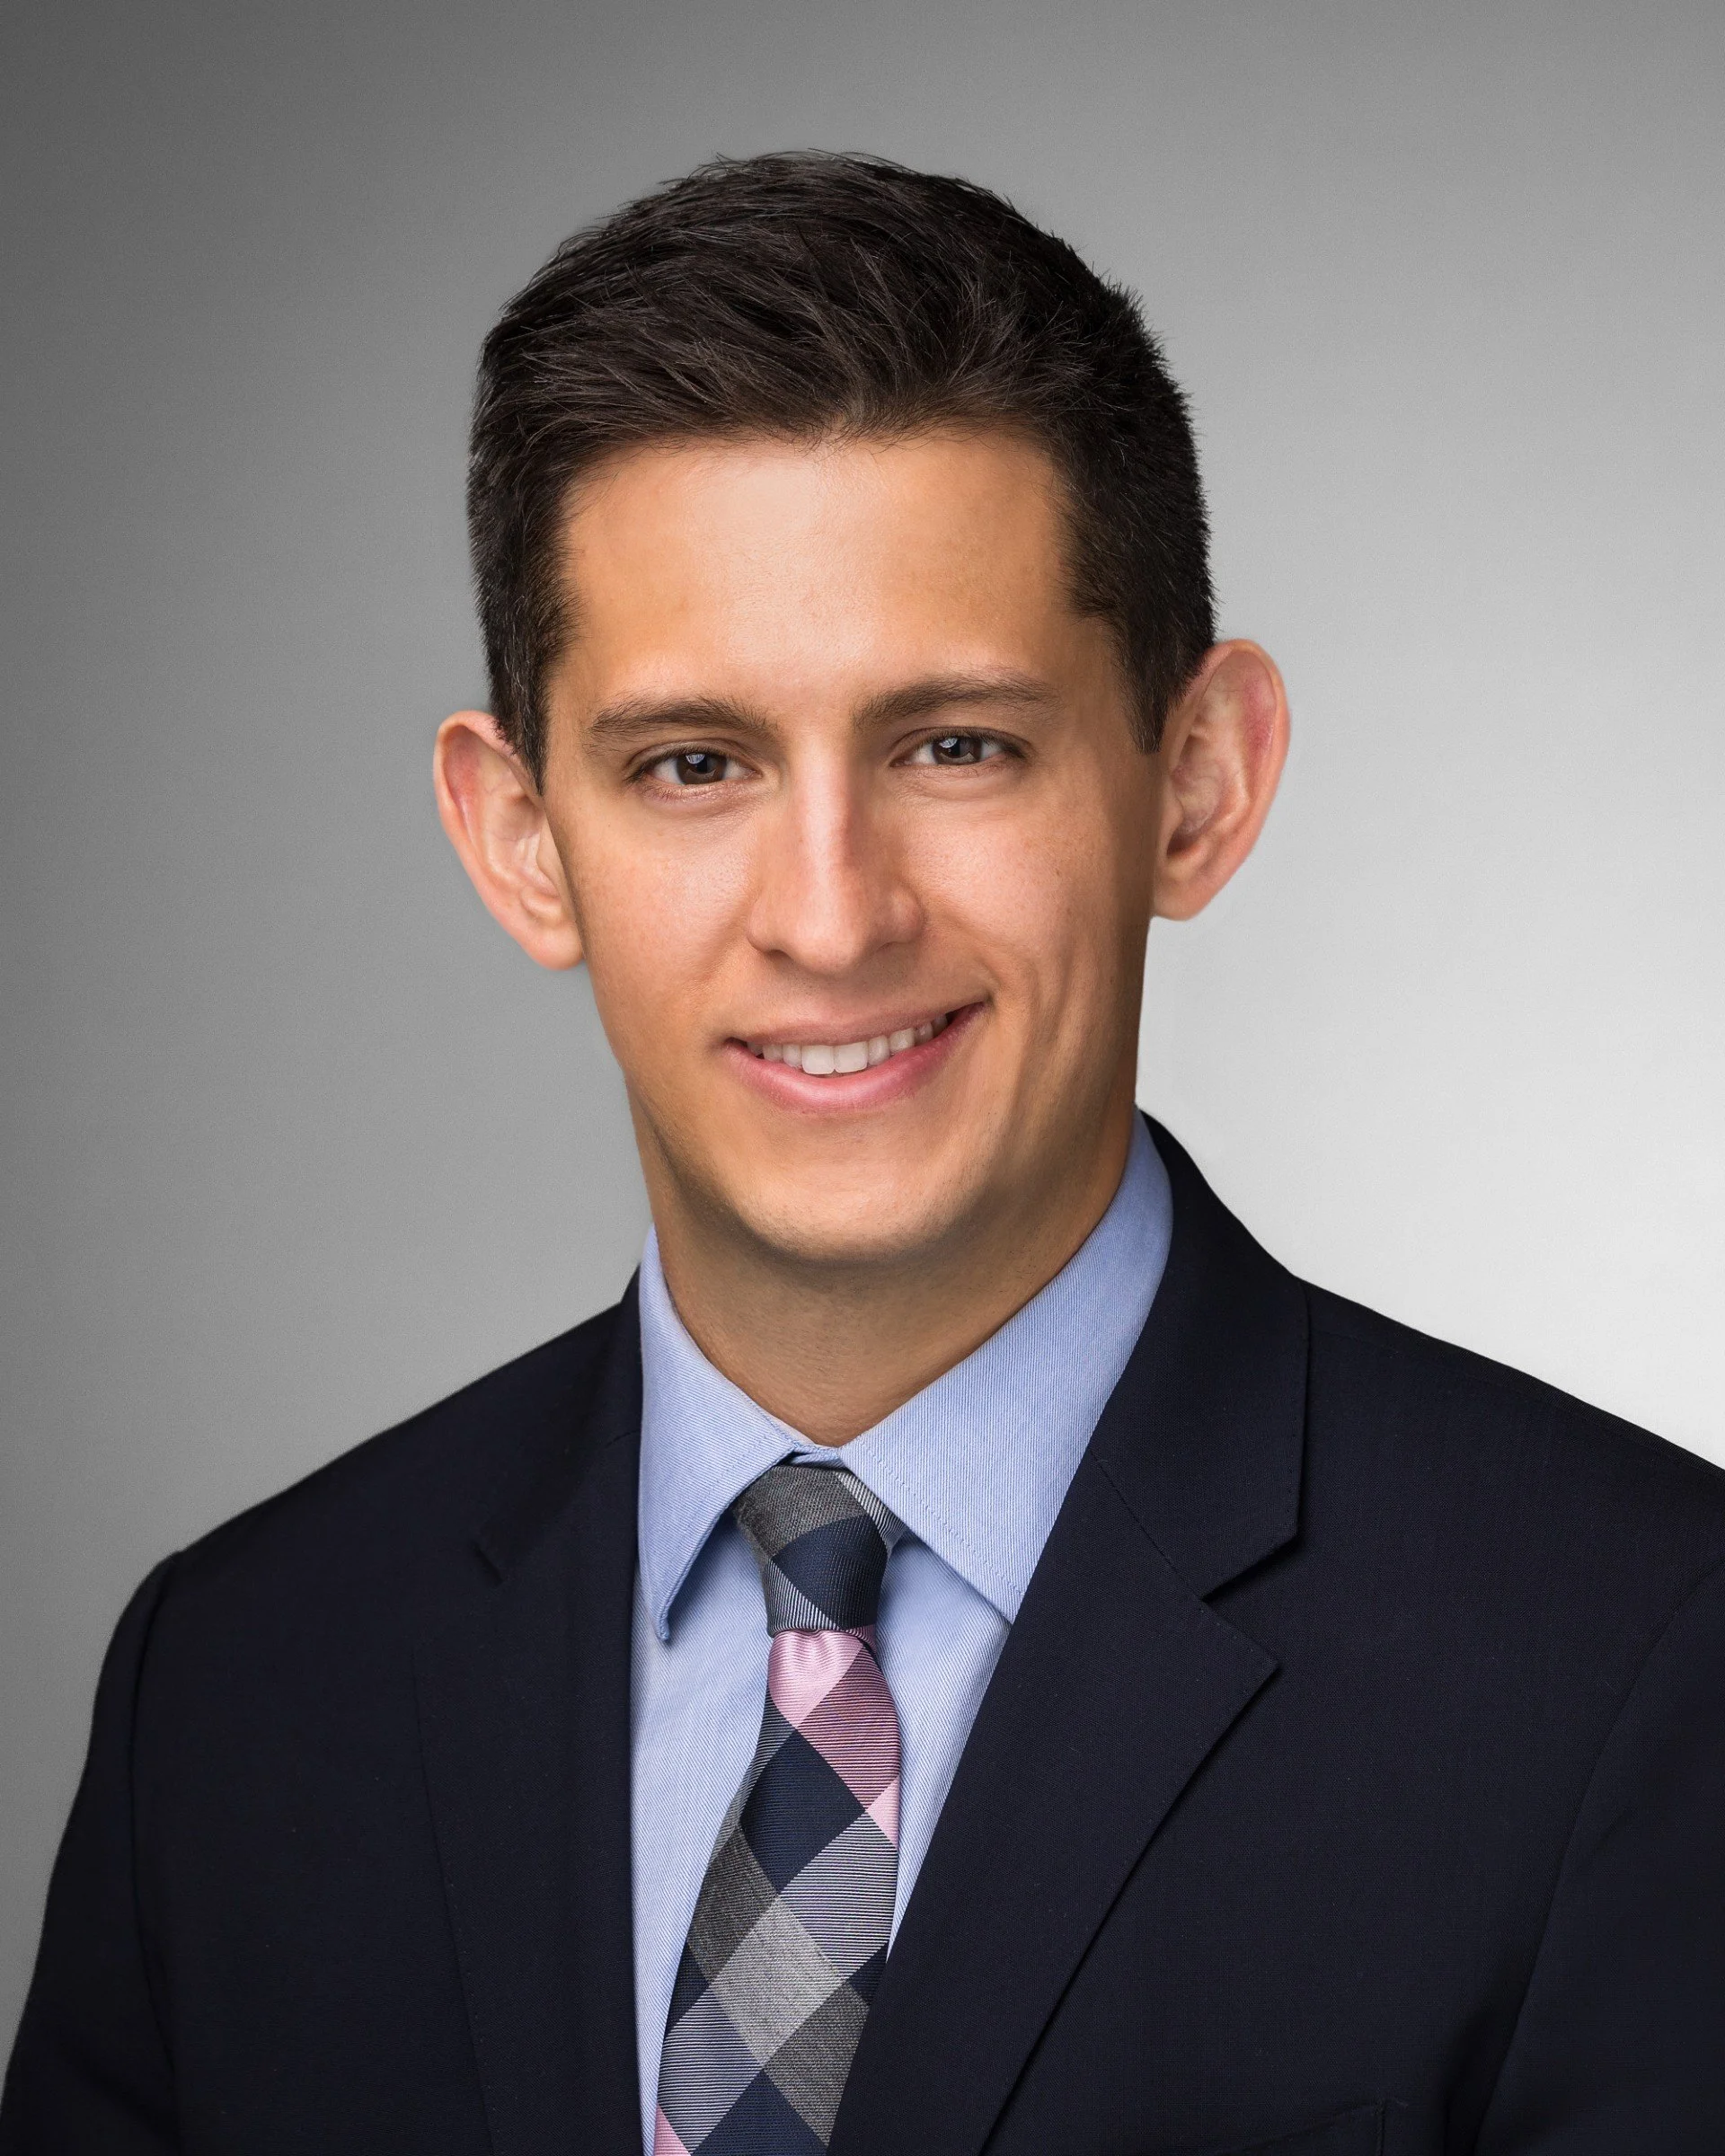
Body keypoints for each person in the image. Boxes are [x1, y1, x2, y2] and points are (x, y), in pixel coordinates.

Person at [4, 151, 1722, 2156]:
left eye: (956, 746)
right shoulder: (234, 1689)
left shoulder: (1636, 1669)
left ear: (1197, 781)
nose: (830, 916)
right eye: (693, 765)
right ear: (519, 837)